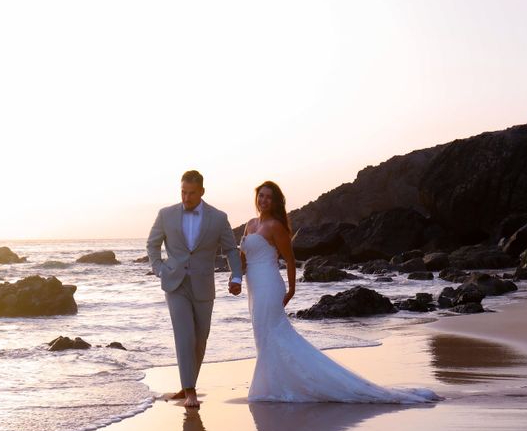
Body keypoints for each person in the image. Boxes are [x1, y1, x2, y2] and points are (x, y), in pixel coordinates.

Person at [240, 181, 440, 403]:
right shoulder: (250, 225)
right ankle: (273, 383)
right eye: (261, 196)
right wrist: (235, 278)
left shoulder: (276, 226)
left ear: (275, 201)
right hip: (254, 287)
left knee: (273, 333)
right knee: (262, 334)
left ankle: (275, 386)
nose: (264, 200)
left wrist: (292, 289)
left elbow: (289, 260)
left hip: (269, 285)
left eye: (269, 197)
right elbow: (242, 257)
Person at [147, 170, 243, 408]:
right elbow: (152, 244)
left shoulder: (218, 218)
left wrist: (237, 275)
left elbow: (231, 249)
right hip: (175, 283)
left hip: (203, 285)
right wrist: (159, 268)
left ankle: (186, 384)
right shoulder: (165, 214)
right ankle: (190, 391)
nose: (186, 197)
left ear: (201, 191)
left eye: (191, 193)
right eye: (183, 192)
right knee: (185, 335)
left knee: (200, 340)